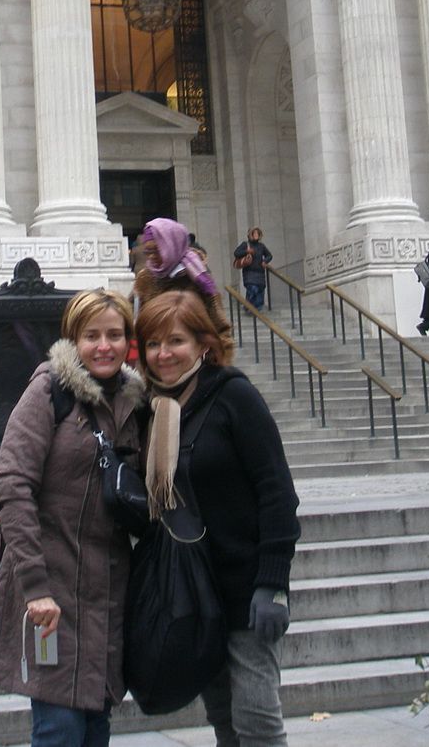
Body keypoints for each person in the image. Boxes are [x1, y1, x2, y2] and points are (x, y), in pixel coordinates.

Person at [0, 289, 148, 746]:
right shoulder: (48, 390)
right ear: (73, 339)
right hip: (49, 593)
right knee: (60, 729)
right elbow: (12, 485)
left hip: (106, 596)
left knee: (95, 726)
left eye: (114, 334)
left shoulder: (132, 404)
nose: (104, 346)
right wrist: (34, 587)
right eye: (92, 335)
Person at [135, 289, 301, 747]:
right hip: (194, 594)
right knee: (225, 721)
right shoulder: (157, 410)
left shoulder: (234, 397)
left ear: (203, 344)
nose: (163, 354)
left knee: (257, 722)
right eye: (152, 344)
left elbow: (277, 494)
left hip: (246, 591)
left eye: (175, 342)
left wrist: (273, 584)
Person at [133, 216, 233, 355]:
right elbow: (133, 317)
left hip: (193, 363)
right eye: (148, 252)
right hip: (157, 362)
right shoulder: (144, 279)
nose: (151, 257)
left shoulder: (198, 277)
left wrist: (216, 365)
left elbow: (220, 329)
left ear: (171, 245)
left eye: (157, 250)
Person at [232, 227, 273, 310]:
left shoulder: (261, 246)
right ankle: (248, 307)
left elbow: (269, 255)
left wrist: (265, 261)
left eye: (257, 233)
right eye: (254, 233)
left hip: (260, 273)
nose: (256, 235)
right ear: (250, 235)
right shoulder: (245, 244)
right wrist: (247, 251)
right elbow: (236, 253)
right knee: (253, 289)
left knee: (260, 293)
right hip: (249, 272)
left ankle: (255, 310)